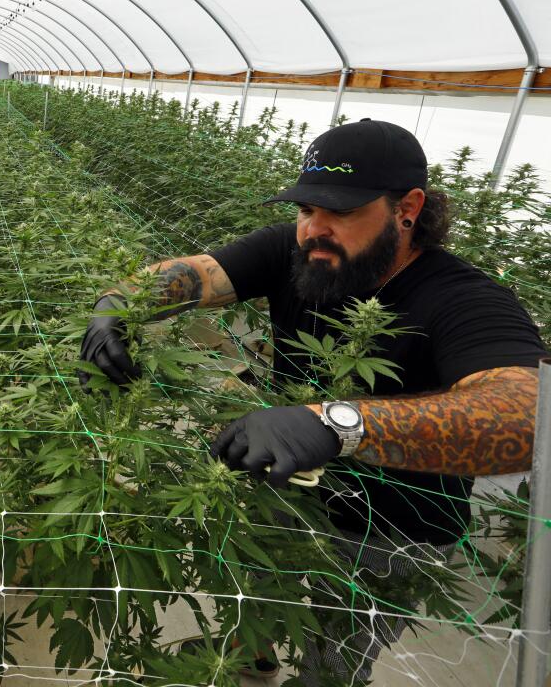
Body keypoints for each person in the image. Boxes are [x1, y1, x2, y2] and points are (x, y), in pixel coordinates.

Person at [80, 118, 546, 682]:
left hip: (392, 530)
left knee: (334, 660)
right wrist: (117, 306)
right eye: (306, 209)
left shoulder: (461, 297)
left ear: (408, 207)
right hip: (285, 487)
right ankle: (252, 657)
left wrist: (337, 423)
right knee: (253, 595)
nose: (312, 229)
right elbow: (193, 275)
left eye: (341, 212)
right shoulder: (294, 250)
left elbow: (528, 413)